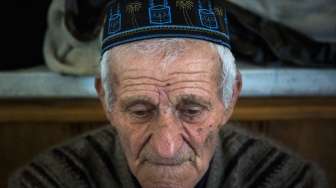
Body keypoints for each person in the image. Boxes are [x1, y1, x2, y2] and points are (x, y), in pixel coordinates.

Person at [9, 0, 328, 187]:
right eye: (139, 110)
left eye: (192, 110)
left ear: (229, 97)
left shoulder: (289, 181)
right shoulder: (48, 182)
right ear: (106, 99)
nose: (166, 147)